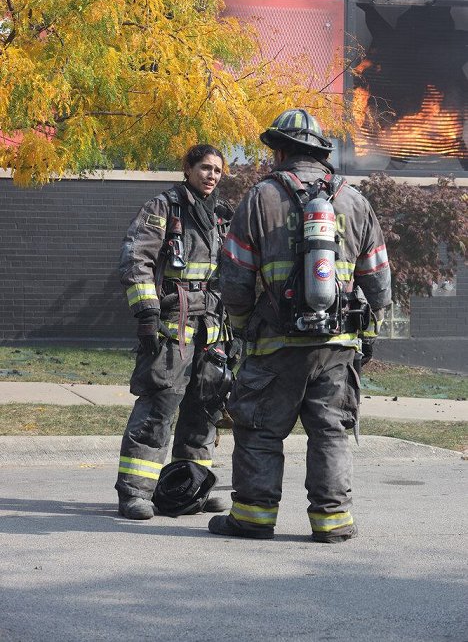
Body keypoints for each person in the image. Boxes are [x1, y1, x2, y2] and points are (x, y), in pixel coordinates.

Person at [208, 109, 392, 542]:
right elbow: (379, 279)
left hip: (275, 343)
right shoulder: (354, 200)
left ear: (282, 150)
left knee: (259, 429)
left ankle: (253, 518)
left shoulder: (262, 197)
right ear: (319, 154)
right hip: (337, 344)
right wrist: (367, 331)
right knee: (330, 432)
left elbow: (235, 275)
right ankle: (333, 522)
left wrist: (241, 326)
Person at [115, 144, 234, 519]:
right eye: (204, 167)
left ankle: (192, 484)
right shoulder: (162, 208)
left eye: (217, 169)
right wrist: (147, 312)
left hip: (212, 324)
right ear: (187, 168)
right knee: (160, 403)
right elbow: (137, 257)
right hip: (173, 324)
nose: (211, 175)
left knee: (205, 404)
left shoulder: (221, 215)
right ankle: (135, 492)